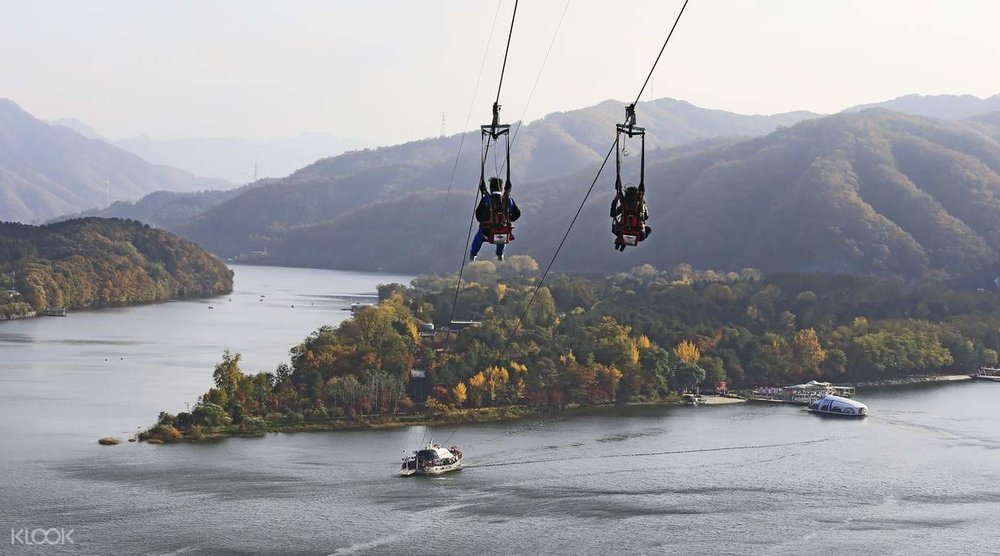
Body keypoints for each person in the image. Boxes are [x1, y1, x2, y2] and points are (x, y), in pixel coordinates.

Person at [470, 177, 521, 261]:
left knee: (479, 237)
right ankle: (500, 254)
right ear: (501, 188)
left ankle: (473, 254)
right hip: (503, 234)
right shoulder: (509, 200)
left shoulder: (486, 199)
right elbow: (517, 214)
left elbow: (479, 216)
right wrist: (509, 218)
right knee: (502, 232)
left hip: (487, 233)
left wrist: (486, 219)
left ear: (490, 189)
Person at [610, 185, 651, 251]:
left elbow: (612, 214)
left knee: (615, 228)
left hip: (622, 230)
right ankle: (623, 240)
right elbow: (646, 217)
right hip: (638, 233)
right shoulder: (640, 206)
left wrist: (615, 201)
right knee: (648, 229)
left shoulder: (624, 206)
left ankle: (621, 240)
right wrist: (644, 203)